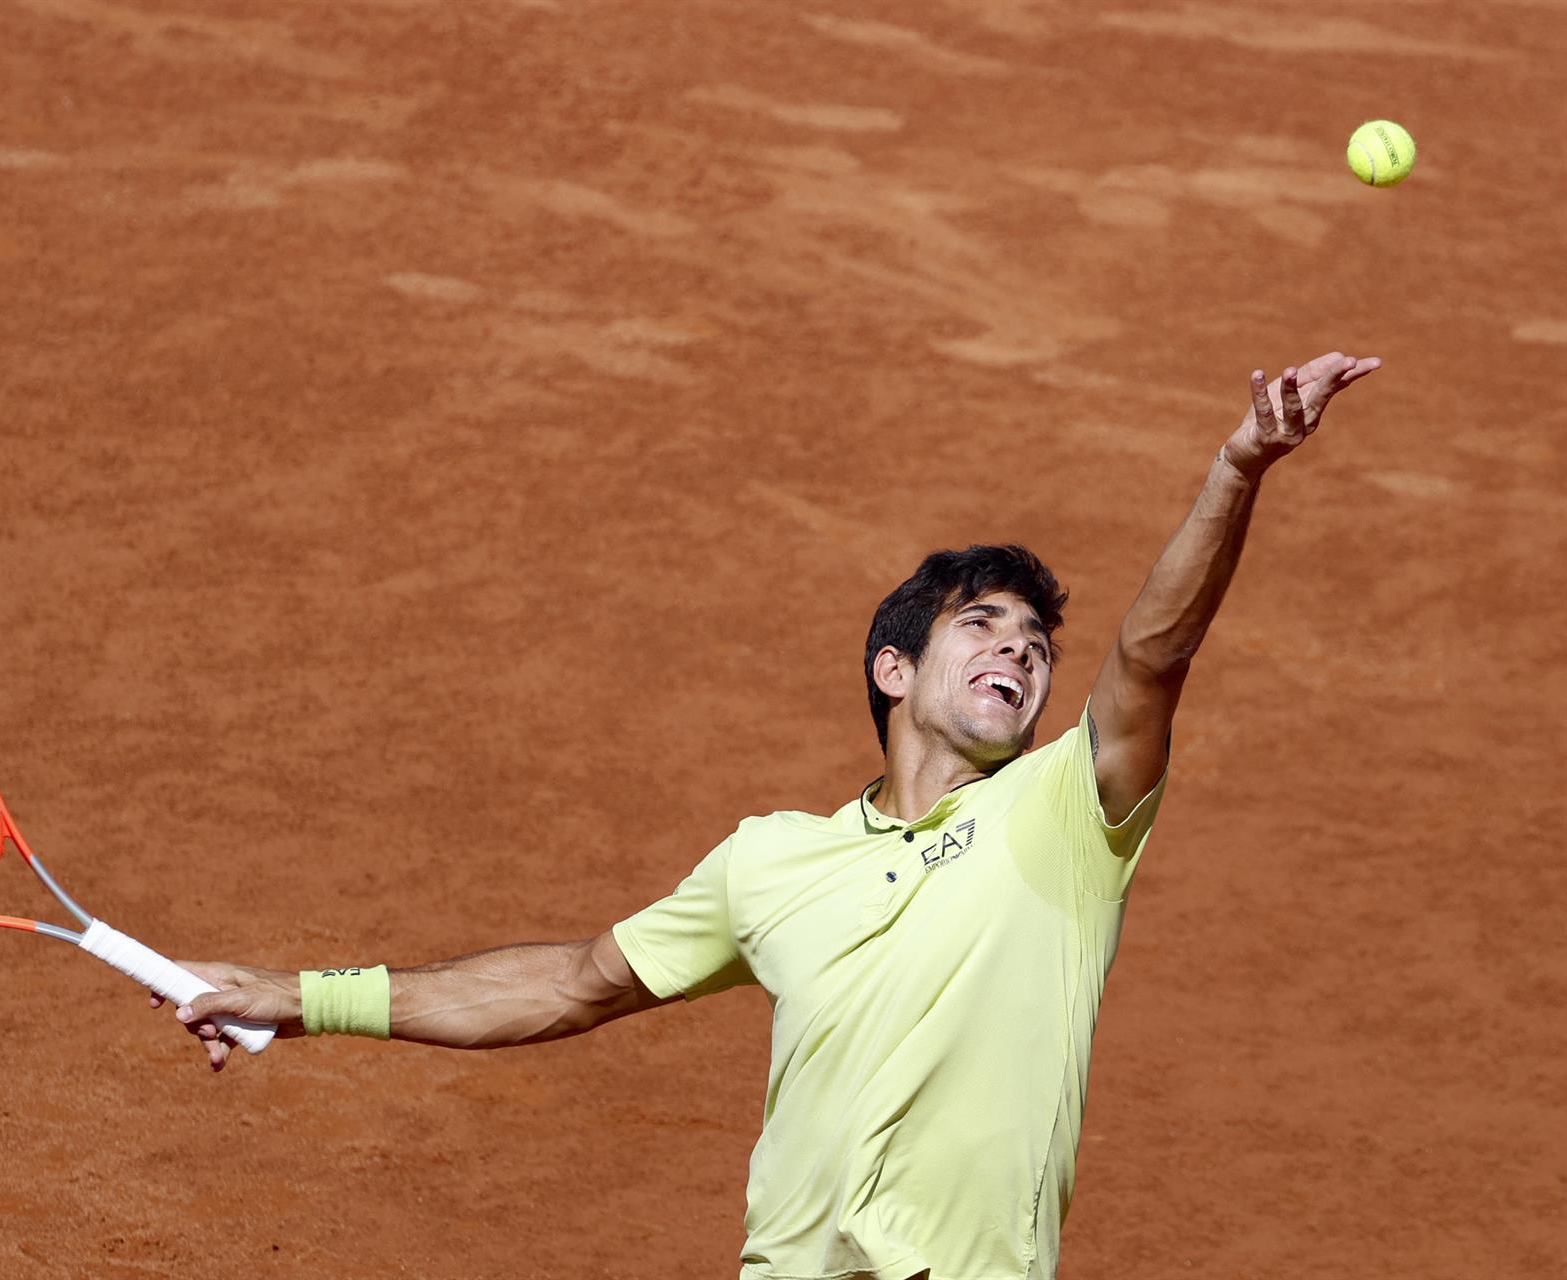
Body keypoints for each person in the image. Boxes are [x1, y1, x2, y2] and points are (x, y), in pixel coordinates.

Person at [152, 354, 1380, 1280]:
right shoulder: (772, 859)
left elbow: (1152, 655)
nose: (1020, 650)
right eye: (981, 626)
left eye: (1036, 645)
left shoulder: (1067, 813)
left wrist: (1236, 471)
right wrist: (301, 996)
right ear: (895, 668)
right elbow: (572, 983)